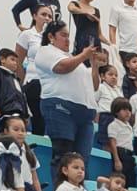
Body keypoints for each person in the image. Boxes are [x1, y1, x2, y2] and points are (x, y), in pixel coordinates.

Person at [36, 18, 100, 160]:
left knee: (81, 161)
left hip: (85, 115)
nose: (67, 40)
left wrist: (94, 65)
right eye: (63, 35)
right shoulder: (45, 51)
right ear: (51, 37)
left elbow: (94, 86)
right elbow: (62, 67)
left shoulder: (74, 58)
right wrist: (83, 55)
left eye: (68, 36)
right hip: (61, 108)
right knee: (63, 156)